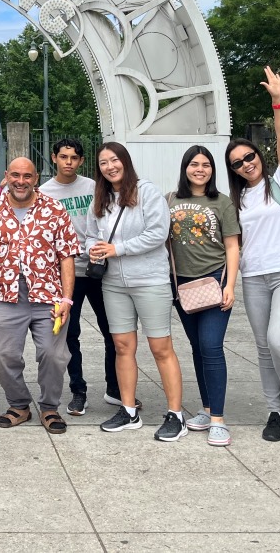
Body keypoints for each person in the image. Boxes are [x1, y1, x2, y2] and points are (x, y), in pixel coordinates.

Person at [225, 66, 280, 443]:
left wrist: (278, 101)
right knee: (263, 347)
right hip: (254, 276)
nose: (246, 164)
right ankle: (273, 412)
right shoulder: (235, 199)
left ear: (257, 155)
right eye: (238, 163)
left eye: (249, 156)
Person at [0, 156, 78, 435]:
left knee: (54, 355)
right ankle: (19, 405)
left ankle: (50, 408)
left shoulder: (54, 210)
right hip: (5, 296)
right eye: (15, 175)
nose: (20, 181)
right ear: (7, 175)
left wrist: (66, 299)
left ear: (36, 178)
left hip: (48, 296)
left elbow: (67, 256)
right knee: (2, 353)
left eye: (27, 176)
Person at [91, 142, 184, 441]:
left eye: (114, 160)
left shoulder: (147, 191)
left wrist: (118, 249)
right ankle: (129, 410)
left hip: (150, 280)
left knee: (160, 347)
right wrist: (92, 249)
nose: (109, 166)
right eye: (103, 162)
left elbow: (158, 233)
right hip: (114, 284)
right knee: (122, 347)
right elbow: (93, 234)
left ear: (125, 161)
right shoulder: (102, 196)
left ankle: (176, 415)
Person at [37, 137, 122, 418]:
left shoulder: (94, 186)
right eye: (63, 157)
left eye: (74, 158)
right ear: (54, 158)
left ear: (82, 161)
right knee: (69, 335)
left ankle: (115, 387)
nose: (69, 162)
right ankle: (78, 391)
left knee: (112, 330)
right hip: (65, 275)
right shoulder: (44, 193)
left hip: (98, 269)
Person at [168, 145, 240, 447]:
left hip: (213, 281)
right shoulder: (170, 199)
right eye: (194, 164)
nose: (200, 169)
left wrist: (230, 286)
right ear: (185, 168)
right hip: (182, 286)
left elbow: (233, 246)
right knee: (197, 348)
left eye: (206, 165)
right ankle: (208, 409)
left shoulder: (221, 203)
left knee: (211, 347)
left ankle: (219, 420)